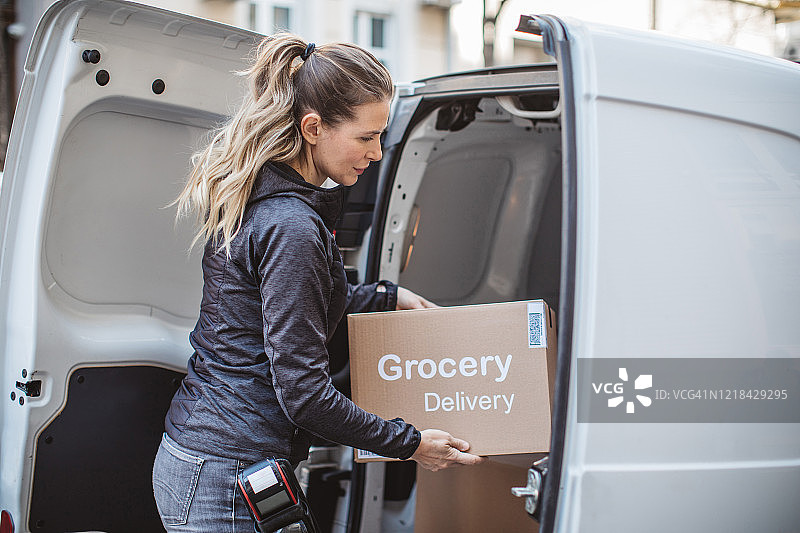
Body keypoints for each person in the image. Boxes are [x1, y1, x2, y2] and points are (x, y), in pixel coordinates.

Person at [151, 34, 483, 531]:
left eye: (380, 137)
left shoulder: (265, 199)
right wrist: (412, 444)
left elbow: (285, 305)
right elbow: (304, 394)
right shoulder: (290, 226)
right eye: (365, 137)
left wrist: (387, 298)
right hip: (229, 475)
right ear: (314, 128)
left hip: (211, 457)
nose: (375, 152)